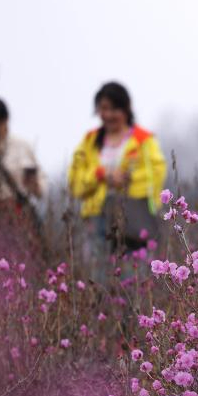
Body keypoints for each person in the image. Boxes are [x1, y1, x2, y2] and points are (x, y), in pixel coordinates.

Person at [68, 82, 167, 280]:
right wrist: (101, 175)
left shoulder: (143, 139)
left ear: (126, 108)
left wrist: (124, 181)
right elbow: (75, 182)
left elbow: (156, 174)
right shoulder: (89, 141)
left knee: (132, 280)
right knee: (98, 280)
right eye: (104, 109)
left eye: (115, 109)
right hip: (96, 220)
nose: (109, 115)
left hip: (132, 218)